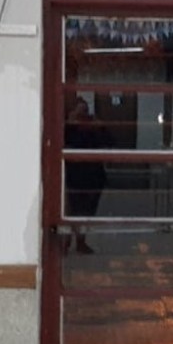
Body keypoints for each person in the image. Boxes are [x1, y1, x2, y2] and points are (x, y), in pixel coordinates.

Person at [64, 97, 111, 253]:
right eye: (80, 112)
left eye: (85, 111)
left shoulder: (93, 128)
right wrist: (70, 124)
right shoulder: (68, 128)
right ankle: (67, 241)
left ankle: (80, 241)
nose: (83, 116)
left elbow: (109, 142)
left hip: (93, 176)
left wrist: (100, 127)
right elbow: (61, 144)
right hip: (74, 176)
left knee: (87, 212)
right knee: (72, 210)